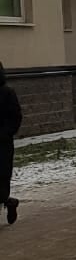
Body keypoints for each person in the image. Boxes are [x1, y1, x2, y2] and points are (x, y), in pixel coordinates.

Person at [0, 63, 23, 225]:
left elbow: (15, 117)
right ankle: (9, 202)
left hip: (2, 143)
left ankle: (7, 201)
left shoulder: (7, 92)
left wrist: (5, 134)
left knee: (1, 176)